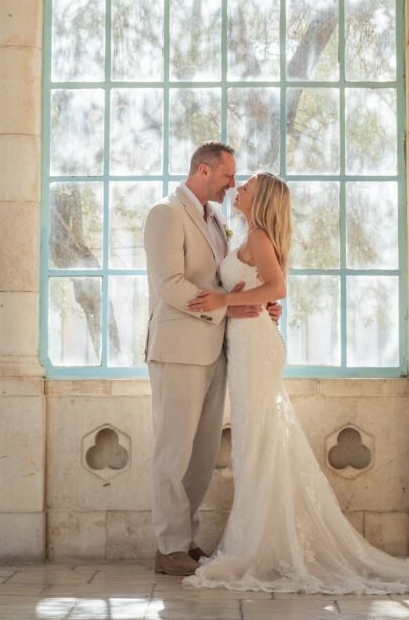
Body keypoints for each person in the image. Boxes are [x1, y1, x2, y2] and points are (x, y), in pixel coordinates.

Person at [184, 172, 409, 596]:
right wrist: (247, 301)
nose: (239, 186)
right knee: (255, 440)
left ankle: (262, 544)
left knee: (260, 437)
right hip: (244, 344)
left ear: (261, 199)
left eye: (247, 184)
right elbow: (262, 290)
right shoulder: (245, 236)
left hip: (257, 347)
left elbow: (278, 285)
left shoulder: (260, 236)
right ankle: (259, 536)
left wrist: (231, 300)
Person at [143, 142, 281, 577]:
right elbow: (169, 284)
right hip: (178, 350)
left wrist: (262, 306)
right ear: (203, 170)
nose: (232, 184)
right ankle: (168, 547)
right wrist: (228, 308)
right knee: (173, 451)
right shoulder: (165, 214)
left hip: (218, 349)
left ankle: (186, 540)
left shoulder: (217, 218)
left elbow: (237, 279)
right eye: (226, 176)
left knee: (201, 455)